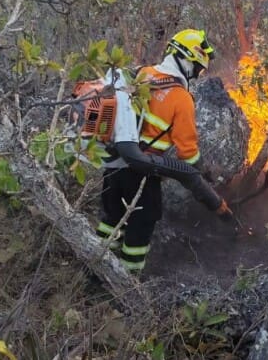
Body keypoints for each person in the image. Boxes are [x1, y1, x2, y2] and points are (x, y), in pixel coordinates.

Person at [95, 29, 233, 273]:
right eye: (198, 68)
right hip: (140, 173)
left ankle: (94, 267)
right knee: (142, 224)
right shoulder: (181, 98)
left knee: (112, 218)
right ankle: (125, 282)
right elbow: (187, 154)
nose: (198, 74)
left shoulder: (143, 73)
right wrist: (203, 175)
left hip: (112, 162)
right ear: (186, 59)